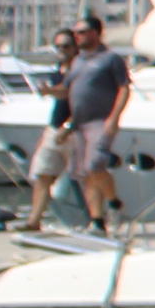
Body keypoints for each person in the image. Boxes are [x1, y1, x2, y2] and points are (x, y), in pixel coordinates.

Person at [16, 23, 90, 233]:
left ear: (76, 46)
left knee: (83, 178)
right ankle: (34, 220)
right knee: (43, 174)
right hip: (55, 129)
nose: (62, 51)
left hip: (76, 130)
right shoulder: (59, 70)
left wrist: (51, 92)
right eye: (58, 47)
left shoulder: (83, 69)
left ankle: (94, 221)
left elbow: (74, 95)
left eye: (66, 46)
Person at [63, 20, 132, 231]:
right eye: (75, 33)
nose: (77, 37)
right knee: (85, 173)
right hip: (79, 124)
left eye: (82, 32)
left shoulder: (110, 59)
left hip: (100, 121)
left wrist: (114, 118)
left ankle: (113, 202)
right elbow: (69, 91)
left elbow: (124, 88)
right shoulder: (77, 62)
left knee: (95, 165)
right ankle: (97, 220)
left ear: (95, 33)